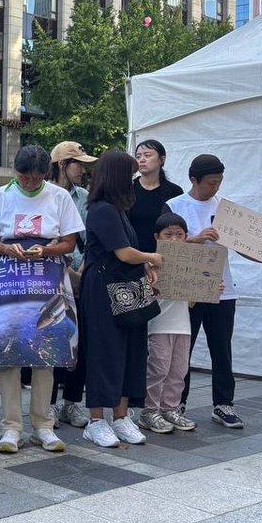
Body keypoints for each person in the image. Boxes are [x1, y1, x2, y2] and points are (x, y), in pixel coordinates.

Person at [0, 145, 83, 454]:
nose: (29, 183)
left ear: (46, 175)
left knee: (46, 350)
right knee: (9, 350)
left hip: (47, 273)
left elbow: (69, 242)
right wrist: (9, 249)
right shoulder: (0, 196)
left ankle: (43, 425)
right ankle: (11, 426)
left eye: (36, 178)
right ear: (16, 173)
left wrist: (46, 250)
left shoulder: (59, 196)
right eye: (24, 178)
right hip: (10, 274)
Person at [79, 151, 162, 448]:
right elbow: (124, 252)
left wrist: (145, 266)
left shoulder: (117, 210)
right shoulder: (102, 209)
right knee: (104, 351)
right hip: (103, 288)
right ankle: (96, 420)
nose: (133, 181)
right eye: (128, 175)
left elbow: (129, 253)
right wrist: (152, 257)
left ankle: (121, 417)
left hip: (125, 286)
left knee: (131, 350)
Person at [166, 154, 245, 429]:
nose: (216, 188)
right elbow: (166, 248)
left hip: (223, 289)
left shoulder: (226, 209)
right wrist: (196, 239)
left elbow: (248, 245)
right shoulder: (175, 206)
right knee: (181, 349)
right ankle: (177, 401)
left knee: (222, 349)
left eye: (219, 182)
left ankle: (224, 404)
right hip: (189, 290)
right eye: (211, 182)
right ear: (193, 180)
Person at [48, 140, 97, 430]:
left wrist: (81, 271)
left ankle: (72, 402)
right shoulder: (45, 195)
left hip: (82, 275)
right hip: (52, 276)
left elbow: (92, 241)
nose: (83, 170)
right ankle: (50, 404)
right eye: (79, 164)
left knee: (83, 343)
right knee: (54, 340)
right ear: (62, 165)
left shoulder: (86, 198)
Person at [139, 213, 199, 434]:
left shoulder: (191, 265)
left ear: (186, 237)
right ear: (157, 237)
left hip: (183, 325)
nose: (174, 239)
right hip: (158, 324)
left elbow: (192, 300)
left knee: (179, 370)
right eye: (168, 235)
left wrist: (211, 289)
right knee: (158, 368)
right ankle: (149, 411)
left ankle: (170, 408)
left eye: (179, 235)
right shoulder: (148, 263)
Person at [130, 140, 184, 254]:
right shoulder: (127, 189)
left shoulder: (175, 191)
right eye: (138, 156)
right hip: (132, 257)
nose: (142, 159)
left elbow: (179, 229)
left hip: (164, 257)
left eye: (147, 155)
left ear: (162, 159)